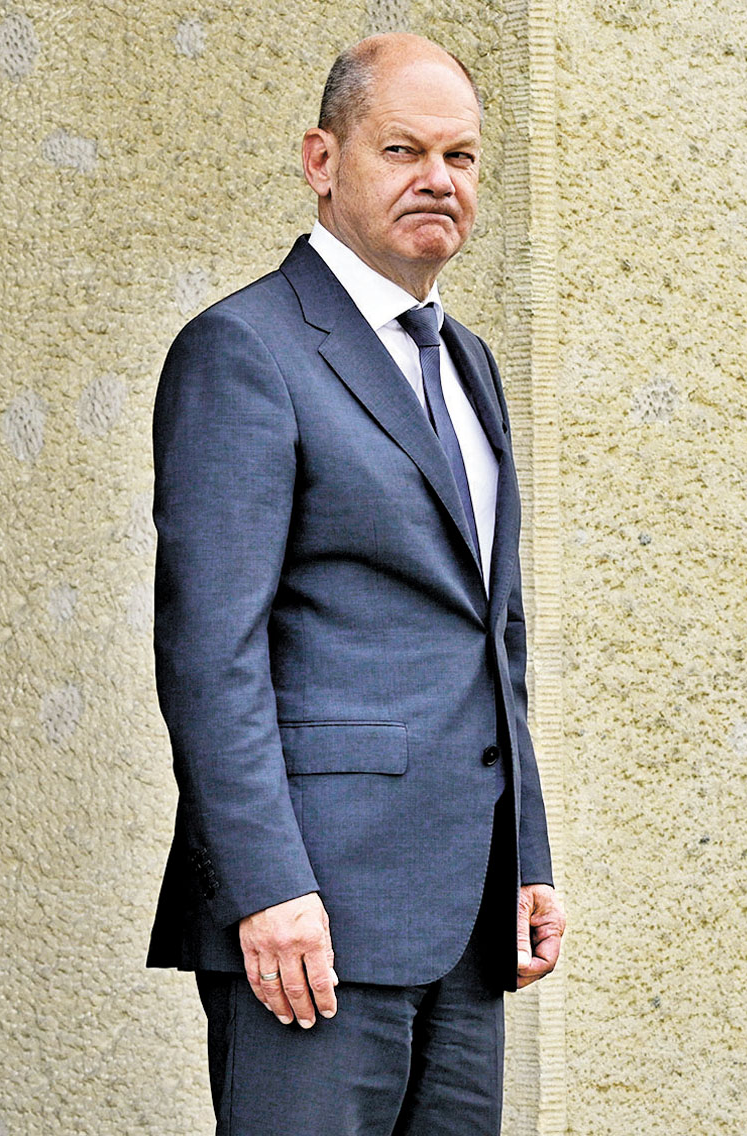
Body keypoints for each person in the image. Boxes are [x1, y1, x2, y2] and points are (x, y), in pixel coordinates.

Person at [148, 32, 565, 1135]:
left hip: (467, 919)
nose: (438, 179)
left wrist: (524, 854)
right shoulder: (244, 349)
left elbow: (493, 635)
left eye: (460, 157)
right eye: (403, 149)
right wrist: (266, 886)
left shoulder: (468, 363)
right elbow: (210, 652)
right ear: (322, 161)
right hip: (310, 920)